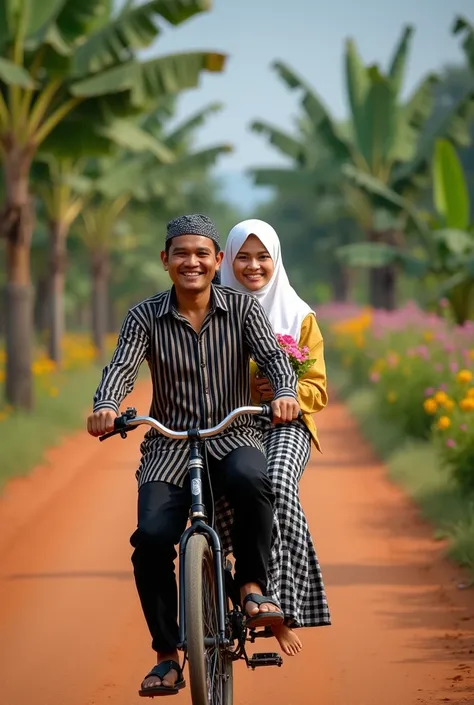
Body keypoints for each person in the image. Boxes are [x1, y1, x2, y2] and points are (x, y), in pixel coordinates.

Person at [87, 214, 301, 697]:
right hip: (169, 444)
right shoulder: (145, 315)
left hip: (232, 432)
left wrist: (285, 390)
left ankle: (251, 587)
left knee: (252, 480)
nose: (192, 262)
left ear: (217, 260)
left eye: (202, 253)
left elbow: (271, 358)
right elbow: (122, 365)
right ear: (165, 261)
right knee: (151, 540)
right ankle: (166, 655)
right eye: (181, 253)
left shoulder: (244, 310)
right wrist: (106, 404)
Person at [220, 218, 331, 656]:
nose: (253, 266)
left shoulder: (299, 316)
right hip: (232, 423)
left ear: (276, 259)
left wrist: (286, 392)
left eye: (262, 256)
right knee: (217, 499)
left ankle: (276, 606)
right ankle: (228, 591)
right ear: (227, 259)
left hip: (286, 425)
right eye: (243, 257)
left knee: (277, 482)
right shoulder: (211, 312)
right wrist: (249, 389)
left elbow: (318, 390)